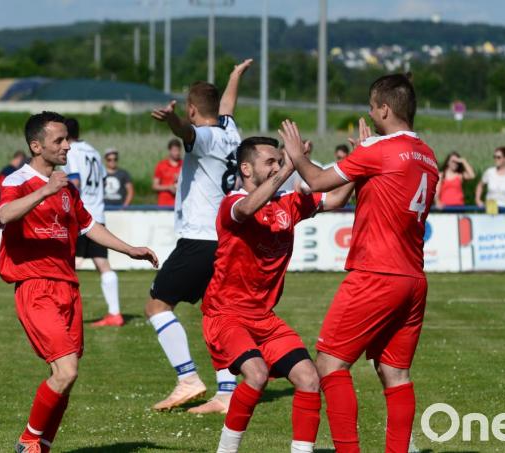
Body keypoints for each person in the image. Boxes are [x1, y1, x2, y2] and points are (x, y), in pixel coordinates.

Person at [279, 73, 439, 453]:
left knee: (330, 366)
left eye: (371, 106)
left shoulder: (379, 151)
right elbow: (379, 193)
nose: (370, 112)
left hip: (376, 274)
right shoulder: (429, 155)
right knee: (394, 373)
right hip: (413, 279)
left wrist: (297, 155)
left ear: (384, 109)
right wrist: (364, 157)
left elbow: (317, 181)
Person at [0, 111, 158, 453]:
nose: (67, 145)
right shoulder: (17, 181)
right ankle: (28, 441)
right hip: (35, 285)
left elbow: (89, 225)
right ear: (36, 146)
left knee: (66, 378)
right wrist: (44, 191)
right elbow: (4, 214)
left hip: (67, 287)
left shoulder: (66, 186)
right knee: (66, 371)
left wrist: (129, 250)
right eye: (59, 140)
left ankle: (43, 445)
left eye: (67, 138)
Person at [207, 137, 354, 453]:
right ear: (246, 169)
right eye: (269, 162)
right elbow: (247, 207)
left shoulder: (287, 204)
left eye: (279, 161)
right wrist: (290, 165)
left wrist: (358, 163)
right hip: (226, 315)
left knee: (309, 378)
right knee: (256, 374)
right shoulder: (231, 203)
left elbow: (338, 198)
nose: (277, 167)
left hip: (265, 318)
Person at [145, 59, 253, 414]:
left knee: (157, 306)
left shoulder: (203, 136)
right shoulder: (231, 132)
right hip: (224, 239)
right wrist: (235, 75)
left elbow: (187, 134)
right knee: (214, 313)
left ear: (191, 110)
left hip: (199, 240)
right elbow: (226, 108)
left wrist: (173, 121)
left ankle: (188, 378)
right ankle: (226, 391)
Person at [62, 117, 124, 327]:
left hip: (82, 216)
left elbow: (75, 181)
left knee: (67, 264)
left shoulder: (72, 151)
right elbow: (102, 180)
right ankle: (115, 314)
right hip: (98, 214)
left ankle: (63, 313)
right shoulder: (94, 151)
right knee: (103, 264)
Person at [153, 139, 183, 206]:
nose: (177, 153)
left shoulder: (185, 165)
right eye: (175, 150)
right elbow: (155, 186)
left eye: (178, 150)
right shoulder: (161, 165)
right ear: (170, 151)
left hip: (181, 204)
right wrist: (169, 187)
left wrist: (181, 179)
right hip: (164, 204)